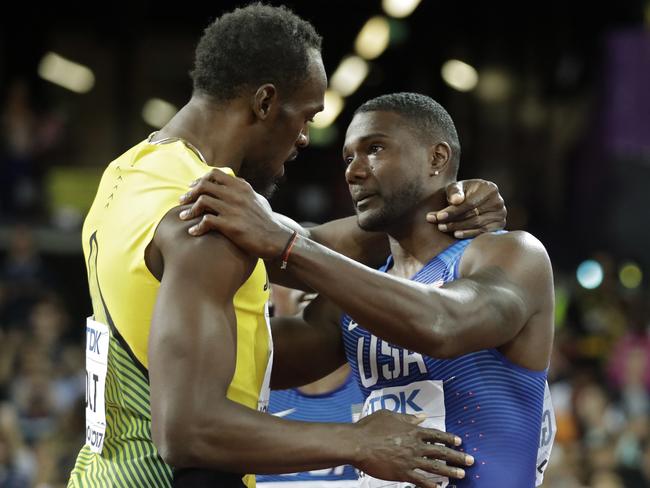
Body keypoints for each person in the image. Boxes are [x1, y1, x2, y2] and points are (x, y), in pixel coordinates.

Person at [67, 5, 507, 488]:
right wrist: (358, 442)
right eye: (306, 117)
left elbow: (308, 246)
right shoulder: (208, 218)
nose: (303, 138)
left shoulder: (131, 174)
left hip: (102, 471)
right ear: (264, 102)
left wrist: (443, 200)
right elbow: (190, 430)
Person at [179, 92, 555, 487]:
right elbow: (254, 356)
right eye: (347, 158)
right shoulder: (364, 291)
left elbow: (444, 323)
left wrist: (289, 244)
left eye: (374, 149)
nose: (353, 171)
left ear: (437, 158)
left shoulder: (512, 254)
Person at [257, 286, 364, 488]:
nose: (309, 283)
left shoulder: (378, 383)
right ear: (267, 291)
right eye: (290, 272)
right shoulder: (242, 382)